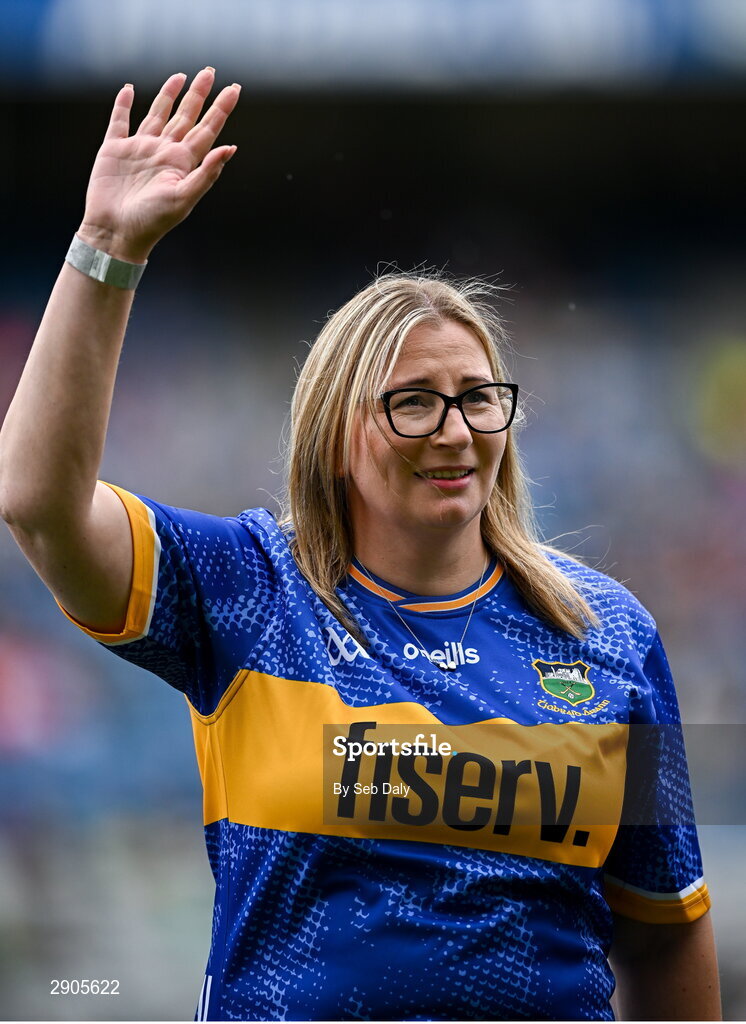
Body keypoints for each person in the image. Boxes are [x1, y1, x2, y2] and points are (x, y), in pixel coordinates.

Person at [0, 69, 721, 1022]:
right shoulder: (248, 588)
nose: (456, 431)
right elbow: (38, 502)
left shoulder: (612, 632)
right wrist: (106, 249)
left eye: (477, 398)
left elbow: (666, 925)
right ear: (337, 436)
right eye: (414, 402)